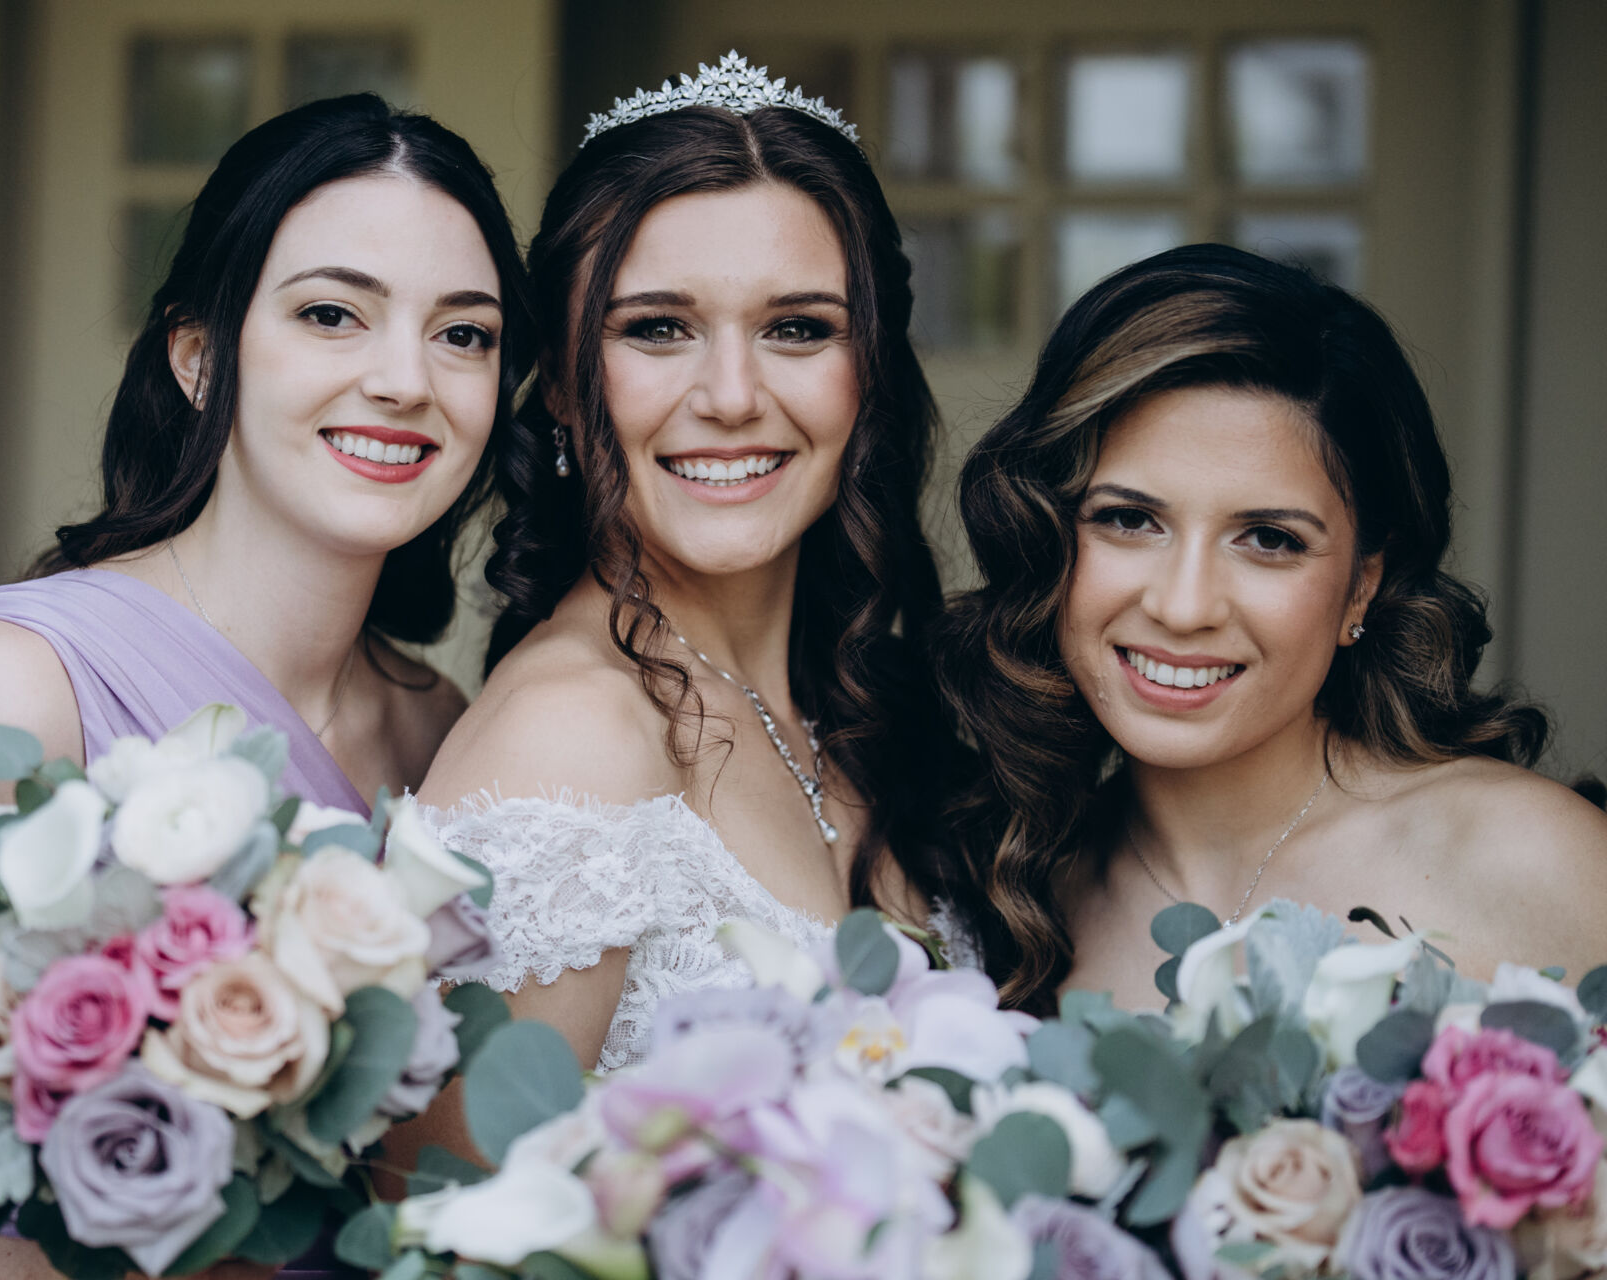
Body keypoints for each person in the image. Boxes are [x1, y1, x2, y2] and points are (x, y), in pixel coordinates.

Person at [0, 93, 533, 1279]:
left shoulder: (442, 725)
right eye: (331, 313)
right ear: (198, 356)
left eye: (465, 334)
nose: (406, 378)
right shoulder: (17, 694)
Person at [413, 53, 976, 1076]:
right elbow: (459, 1176)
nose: (731, 396)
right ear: (564, 387)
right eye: (659, 329)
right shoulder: (568, 736)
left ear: (871, 376)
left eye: (797, 329)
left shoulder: (868, 708)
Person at [934, 243, 1607, 1014]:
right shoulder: (1009, 898)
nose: (1184, 607)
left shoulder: (1534, 862)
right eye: (1129, 519)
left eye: (1269, 539)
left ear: (1362, 584)